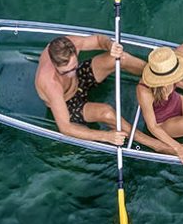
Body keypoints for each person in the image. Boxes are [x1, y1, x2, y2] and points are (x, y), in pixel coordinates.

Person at [34, 33, 175, 154]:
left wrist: (110, 45)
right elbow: (65, 127)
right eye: (66, 71)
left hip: (81, 80)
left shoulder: (69, 45)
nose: (71, 73)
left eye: (74, 66)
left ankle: (162, 78)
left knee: (120, 58)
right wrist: (106, 136)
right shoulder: (50, 83)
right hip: (69, 103)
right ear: (54, 64)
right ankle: (155, 144)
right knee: (106, 113)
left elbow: (99, 40)